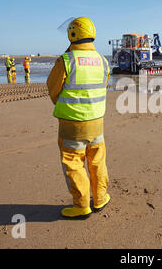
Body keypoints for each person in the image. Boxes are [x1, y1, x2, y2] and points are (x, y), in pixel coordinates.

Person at [47, 17, 111, 219]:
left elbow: (52, 89)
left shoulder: (66, 60)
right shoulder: (103, 60)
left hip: (72, 123)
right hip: (97, 122)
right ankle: (100, 198)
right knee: (97, 160)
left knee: (73, 162)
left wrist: (63, 104)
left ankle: (81, 205)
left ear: (72, 35)